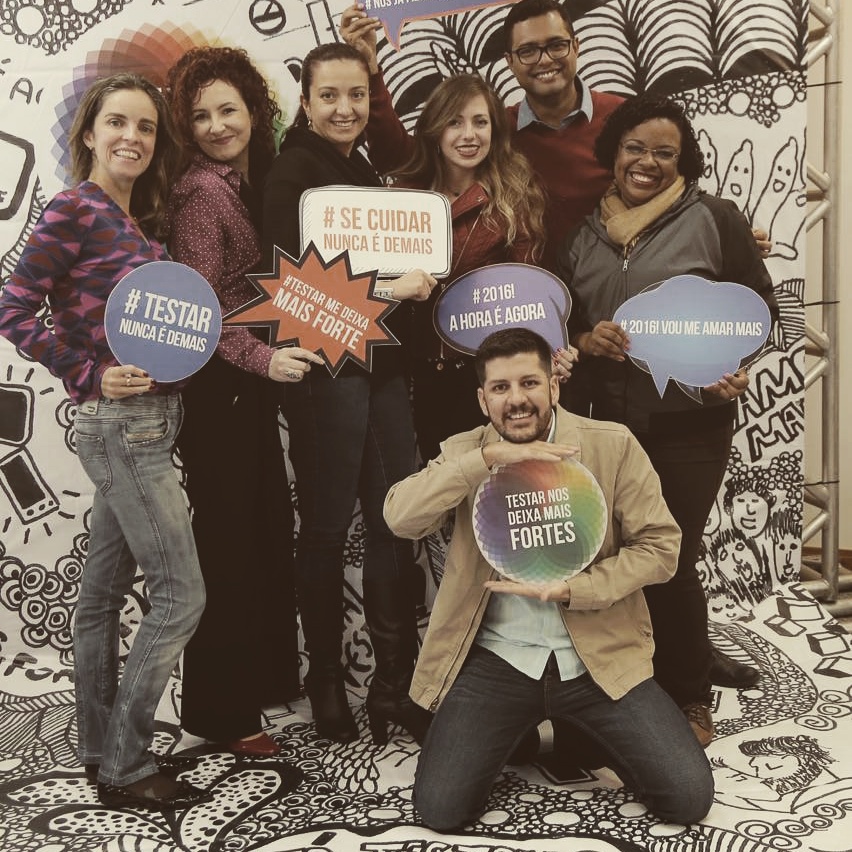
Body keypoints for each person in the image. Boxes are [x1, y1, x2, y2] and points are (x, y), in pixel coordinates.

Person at [383, 328, 714, 831]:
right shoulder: (465, 451)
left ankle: (571, 731)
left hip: (598, 657)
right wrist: (483, 462)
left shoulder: (612, 444)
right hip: (498, 661)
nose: (516, 399)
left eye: (529, 383)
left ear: (554, 386)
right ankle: (545, 735)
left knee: (688, 797)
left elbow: (661, 548)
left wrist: (577, 590)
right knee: (440, 809)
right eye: (500, 388)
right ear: (483, 399)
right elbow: (399, 518)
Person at [0, 73, 211, 810]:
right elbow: (13, 306)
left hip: (147, 421)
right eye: (117, 122)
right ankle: (126, 763)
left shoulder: (134, 218)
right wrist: (88, 373)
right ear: (88, 133)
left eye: (146, 126)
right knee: (181, 595)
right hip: (123, 426)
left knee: (100, 596)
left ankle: (99, 749)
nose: (133, 137)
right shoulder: (76, 208)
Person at [556, 93, 779, 744]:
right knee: (615, 556)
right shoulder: (582, 236)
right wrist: (585, 338)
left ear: (683, 162)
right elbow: (563, 322)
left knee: (669, 559)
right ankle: (629, 681)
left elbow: (759, 306)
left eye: (664, 153)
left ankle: (689, 695)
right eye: (635, 148)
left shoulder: (715, 218)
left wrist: (735, 363)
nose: (647, 162)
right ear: (612, 154)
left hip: (691, 422)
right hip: (608, 424)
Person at [262, 42, 436, 746]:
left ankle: (393, 684)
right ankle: (328, 683)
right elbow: (293, 289)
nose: (345, 108)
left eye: (357, 95)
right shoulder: (293, 173)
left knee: (395, 519)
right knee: (328, 529)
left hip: (383, 371)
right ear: (305, 102)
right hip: (328, 378)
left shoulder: (359, 167)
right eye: (329, 95)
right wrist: (394, 287)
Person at [165, 47, 325, 757]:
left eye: (227, 109)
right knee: (229, 548)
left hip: (245, 388)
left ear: (255, 111)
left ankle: (254, 689)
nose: (216, 126)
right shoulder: (203, 193)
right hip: (220, 387)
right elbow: (197, 312)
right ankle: (220, 712)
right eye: (200, 116)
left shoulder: (249, 177)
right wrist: (265, 360)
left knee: (261, 535)